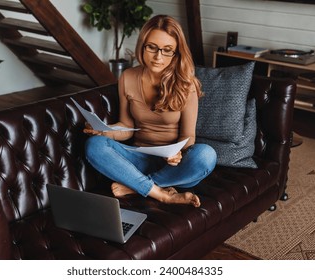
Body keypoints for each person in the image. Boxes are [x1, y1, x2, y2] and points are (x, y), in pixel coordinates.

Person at [84, 15, 216, 207]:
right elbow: (127, 127)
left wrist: (178, 153)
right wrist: (103, 130)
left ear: (176, 53)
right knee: (94, 145)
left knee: (206, 155)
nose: (158, 57)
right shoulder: (128, 77)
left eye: (167, 50)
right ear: (142, 45)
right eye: (152, 47)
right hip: (137, 159)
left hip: (175, 167)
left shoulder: (187, 85)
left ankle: (135, 185)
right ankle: (163, 195)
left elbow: (188, 136)